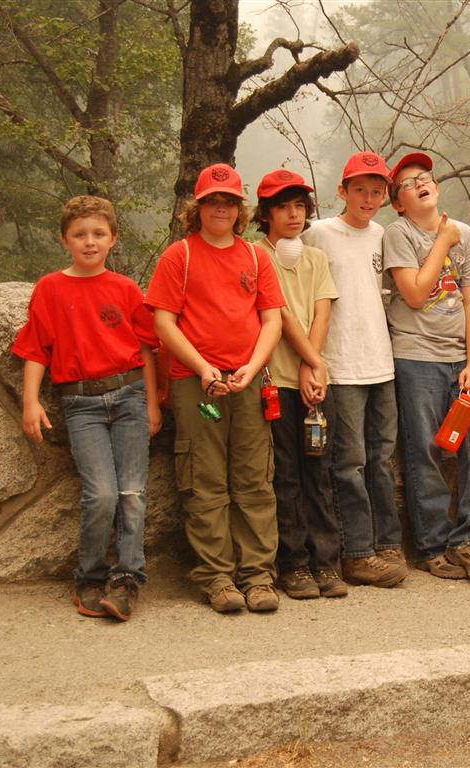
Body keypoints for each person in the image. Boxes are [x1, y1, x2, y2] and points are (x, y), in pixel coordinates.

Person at [147, 162, 285, 613]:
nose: (221, 208)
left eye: (229, 201)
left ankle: (258, 576)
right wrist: (204, 368)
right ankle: (217, 577)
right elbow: (164, 322)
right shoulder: (179, 256)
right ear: (198, 207)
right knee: (203, 478)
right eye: (213, 201)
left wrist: (252, 367)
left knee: (255, 478)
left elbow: (272, 321)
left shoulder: (256, 257)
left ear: (240, 209)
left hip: (247, 381)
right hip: (196, 383)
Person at [14, 195, 161, 621]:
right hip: (81, 405)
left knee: (132, 494)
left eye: (99, 234)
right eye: (80, 235)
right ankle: (91, 576)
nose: (90, 242)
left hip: (130, 396)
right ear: (65, 240)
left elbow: (146, 349)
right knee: (101, 495)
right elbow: (36, 349)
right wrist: (30, 402)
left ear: (113, 238)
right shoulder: (50, 288)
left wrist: (152, 403)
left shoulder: (125, 289)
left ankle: (127, 579)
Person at [383, 151, 470, 588]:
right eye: (408, 183)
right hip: (416, 356)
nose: (420, 183)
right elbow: (415, 294)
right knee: (425, 450)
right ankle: (432, 546)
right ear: (398, 203)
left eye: (425, 177)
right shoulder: (399, 234)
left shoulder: (464, 233)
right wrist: (442, 242)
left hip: (460, 360)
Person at [301, 151, 408, 588]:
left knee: (382, 459)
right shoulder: (318, 233)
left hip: (380, 361)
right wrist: (312, 360)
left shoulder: (382, 234)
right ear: (341, 191)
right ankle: (357, 552)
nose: (368, 198)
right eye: (359, 189)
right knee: (349, 462)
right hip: (340, 364)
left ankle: (388, 542)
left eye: (377, 191)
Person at [252, 169, 345, 599]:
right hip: (278, 381)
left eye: (299, 206)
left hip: (315, 383)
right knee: (286, 476)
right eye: (283, 207)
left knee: (320, 473)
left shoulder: (315, 258)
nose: (293, 215)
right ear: (265, 214)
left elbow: (322, 311)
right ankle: (294, 565)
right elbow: (282, 315)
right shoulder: (256, 256)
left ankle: (326, 562)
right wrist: (312, 362)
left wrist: (315, 365)